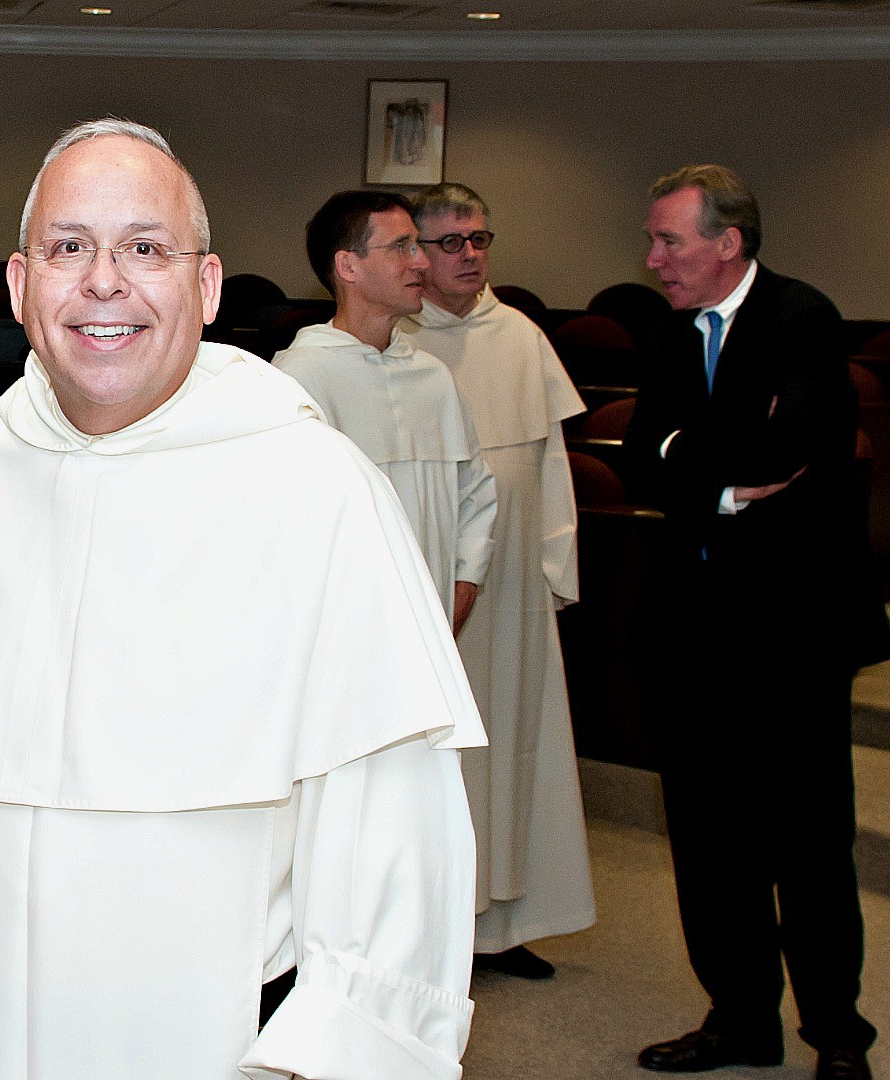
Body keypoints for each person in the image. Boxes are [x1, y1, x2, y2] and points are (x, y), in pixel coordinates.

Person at [0, 119, 484, 1080]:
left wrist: (337, 1051)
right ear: (20, 282)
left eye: (146, 249)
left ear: (204, 287)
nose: (104, 280)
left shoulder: (313, 488)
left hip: (214, 1032)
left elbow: (390, 814)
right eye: (68, 247)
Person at [623, 164, 887, 1080]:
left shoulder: (800, 319)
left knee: (808, 845)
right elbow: (637, 461)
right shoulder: (663, 338)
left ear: (727, 242)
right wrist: (721, 479)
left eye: (669, 241)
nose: (652, 258)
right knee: (708, 844)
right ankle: (739, 1019)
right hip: (692, 631)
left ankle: (837, 1036)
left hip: (793, 633)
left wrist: (685, 455)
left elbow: (792, 448)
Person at [404, 182, 596, 980]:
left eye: (480, 239)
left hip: (511, 588)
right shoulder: (394, 342)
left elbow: (550, 462)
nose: (470, 255)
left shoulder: (519, 335)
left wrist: (557, 565)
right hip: (431, 585)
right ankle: (428, 929)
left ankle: (504, 924)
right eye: (451, 242)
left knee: (513, 745)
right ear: (415, 251)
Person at [273, 190, 497, 635]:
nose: (421, 262)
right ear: (348, 266)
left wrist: (464, 584)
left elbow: (476, 491)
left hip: (433, 624)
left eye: (417, 245)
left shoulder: (432, 377)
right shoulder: (299, 380)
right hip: (341, 627)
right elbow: (285, 526)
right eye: (401, 247)